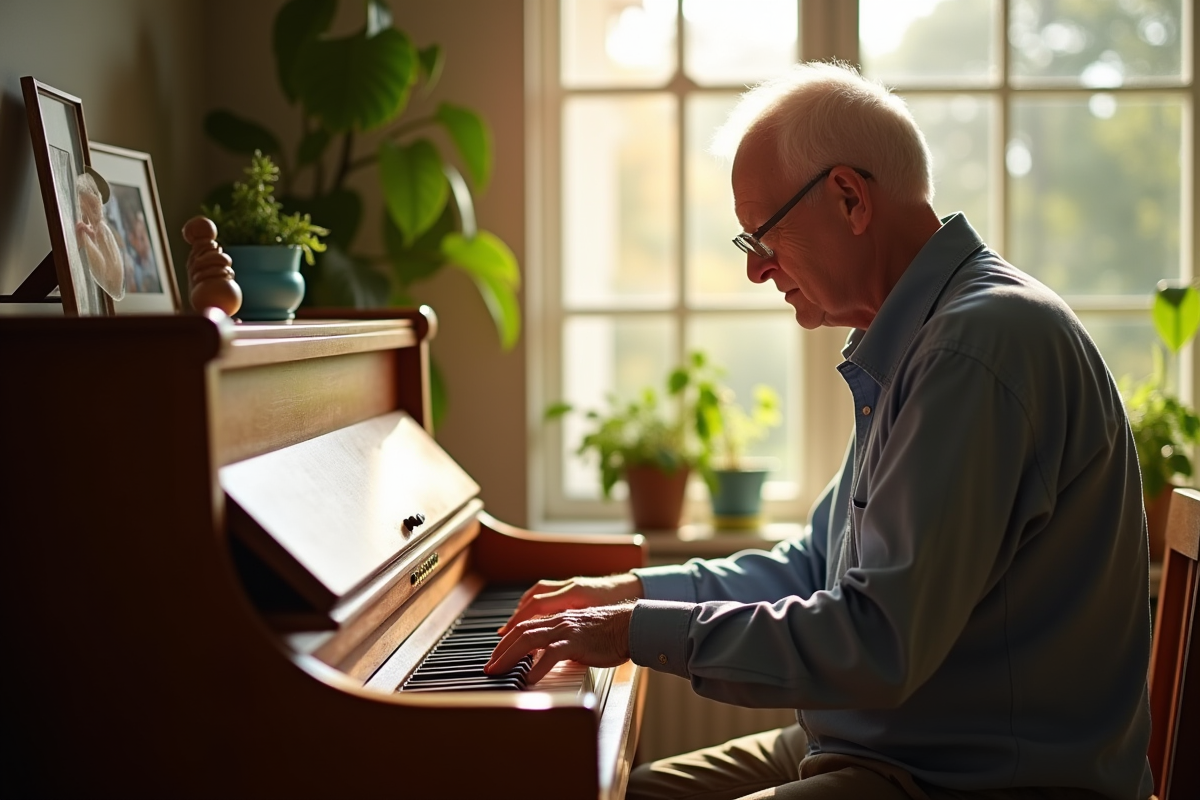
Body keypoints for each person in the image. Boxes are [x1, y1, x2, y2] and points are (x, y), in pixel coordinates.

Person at [485, 61, 1152, 800]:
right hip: (879, 746)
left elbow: (876, 642)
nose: (757, 271)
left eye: (761, 236)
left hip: (966, 779)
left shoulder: (973, 348)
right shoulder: (918, 338)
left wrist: (634, 633)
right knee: (603, 789)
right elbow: (813, 567)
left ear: (848, 198)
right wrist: (628, 592)